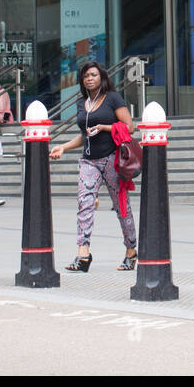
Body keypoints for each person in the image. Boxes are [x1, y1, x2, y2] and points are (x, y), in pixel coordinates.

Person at [49, 61, 137, 273]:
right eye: (86, 76)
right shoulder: (82, 103)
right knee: (84, 203)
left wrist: (104, 127)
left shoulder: (113, 98)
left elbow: (129, 127)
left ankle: (131, 250)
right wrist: (63, 147)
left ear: (102, 78)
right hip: (89, 161)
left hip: (112, 159)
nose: (89, 79)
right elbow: (84, 136)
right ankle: (83, 253)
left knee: (121, 207)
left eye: (93, 75)